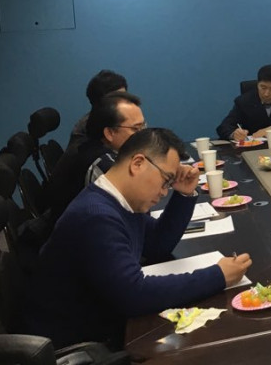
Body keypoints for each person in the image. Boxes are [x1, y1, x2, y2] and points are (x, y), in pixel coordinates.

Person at [27, 128, 252, 349]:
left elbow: (157, 245)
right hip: (82, 344)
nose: (164, 191)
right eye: (166, 180)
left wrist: (183, 194)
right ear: (137, 163)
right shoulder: (96, 216)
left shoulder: (119, 201)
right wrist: (217, 276)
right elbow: (134, 295)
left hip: (101, 323)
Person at [48, 91, 146, 220]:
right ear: (109, 133)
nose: (143, 135)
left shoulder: (93, 146)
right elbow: (138, 210)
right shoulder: (101, 163)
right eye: (136, 129)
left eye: (143, 126)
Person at [69, 70, 128, 148]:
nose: (125, 102)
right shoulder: (87, 129)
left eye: (125, 97)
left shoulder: (126, 119)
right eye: (117, 98)